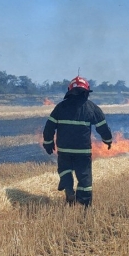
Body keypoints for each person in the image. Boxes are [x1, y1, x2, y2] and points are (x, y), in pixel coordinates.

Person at [42, 76, 112, 206]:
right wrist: (107, 140)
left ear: (70, 91)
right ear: (86, 92)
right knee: (84, 176)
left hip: (64, 150)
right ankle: (83, 203)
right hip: (83, 151)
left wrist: (48, 142)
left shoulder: (60, 107)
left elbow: (49, 126)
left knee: (65, 170)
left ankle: (69, 190)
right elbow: (103, 127)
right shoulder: (92, 108)